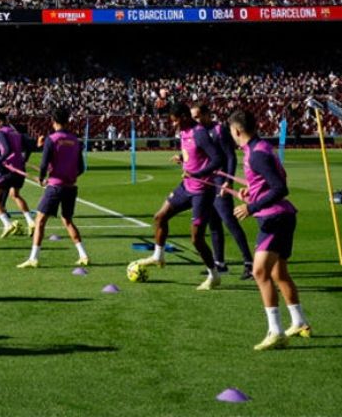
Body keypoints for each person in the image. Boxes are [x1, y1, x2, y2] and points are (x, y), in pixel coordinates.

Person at [228, 109, 311, 351]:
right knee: (278, 274)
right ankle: (299, 322)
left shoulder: (256, 154)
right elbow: (265, 183)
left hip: (275, 218)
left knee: (259, 272)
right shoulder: (258, 148)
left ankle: (276, 332)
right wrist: (251, 191)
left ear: (237, 131)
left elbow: (280, 188)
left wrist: (251, 206)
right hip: (279, 216)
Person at [133, 101, 225, 290]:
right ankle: (158, 256)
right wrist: (183, 159)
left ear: (184, 117)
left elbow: (217, 159)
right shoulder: (183, 132)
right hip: (186, 186)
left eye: (175, 121)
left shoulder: (199, 133)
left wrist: (198, 174)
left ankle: (214, 275)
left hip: (202, 191)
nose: (173, 124)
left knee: (196, 239)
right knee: (160, 217)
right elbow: (195, 155)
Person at [18, 107, 88, 269]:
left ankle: (33, 258)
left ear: (53, 121)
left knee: (40, 221)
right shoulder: (75, 141)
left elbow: (44, 164)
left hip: (55, 187)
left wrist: (42, 178)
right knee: (67, 220)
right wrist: (69, 177)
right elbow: (81, 168)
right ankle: (83, 255)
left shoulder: (52, 139)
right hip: (71, 187)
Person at [193, 103, 255, 280]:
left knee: (230, 221)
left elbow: (230, 156)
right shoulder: (199, 132)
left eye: (197, 116)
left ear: (206, 115)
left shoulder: (219, 130)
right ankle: (219, 263)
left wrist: (228, 181)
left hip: (220, 181)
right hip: (207, 183)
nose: (195, 120)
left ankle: (249, 263)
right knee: (213, 224)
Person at [0, 111, 33, 238]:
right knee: (15, 194)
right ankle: (31, 222)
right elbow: (29, 147)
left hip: (8, 169)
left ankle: (7, 223)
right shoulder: (15, 132)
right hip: (19, 168)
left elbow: (7, 150)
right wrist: (24, 159)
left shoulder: (1, 132)